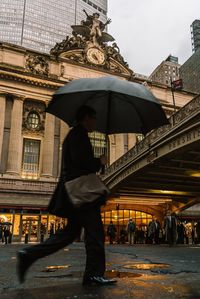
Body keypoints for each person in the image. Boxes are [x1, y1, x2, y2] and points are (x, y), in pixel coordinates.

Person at [17, 105, 117, 286]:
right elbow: (82, 162)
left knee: (68, 234)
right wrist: (99, 161)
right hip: (83, 193)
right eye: (94, 118)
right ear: (87, 117)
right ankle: (93, 274)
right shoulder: (79, 135)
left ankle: (28, 255)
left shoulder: (74, 135)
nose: (96, 122)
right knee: (95, 234)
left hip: (73, 192)